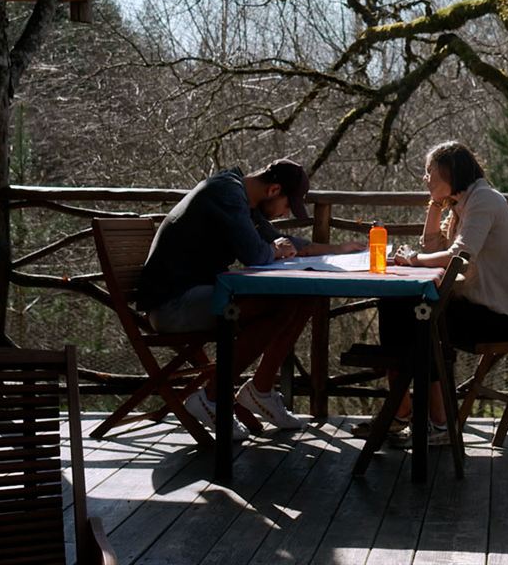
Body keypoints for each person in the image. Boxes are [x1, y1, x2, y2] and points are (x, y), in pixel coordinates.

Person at [138, 159, 364, 440]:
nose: (283, 214)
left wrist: (342, 249)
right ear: (274, 189)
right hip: (174, 305)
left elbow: (280, 242)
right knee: (281, 303)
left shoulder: (242, 196)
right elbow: (257, 254)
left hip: (201, 296)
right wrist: (272, 250)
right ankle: (212, 397)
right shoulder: (227, 194)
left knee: (303, 298)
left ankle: (260, 389)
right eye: (286, 205)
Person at [371, 141, 508, 445]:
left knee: (421, 319)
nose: (425, 178)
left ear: (449, 171)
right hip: (480, 307)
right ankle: (406, 411)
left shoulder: (484, 200)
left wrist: (411, 261)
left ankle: (432, 421)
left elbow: (458, 256)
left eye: (429, 172)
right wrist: (436, 204)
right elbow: (433, 248)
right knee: (396, 305)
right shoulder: (462, 202)